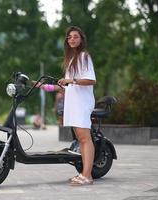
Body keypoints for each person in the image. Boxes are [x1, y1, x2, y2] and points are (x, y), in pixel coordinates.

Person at [40, 26, 96, 186]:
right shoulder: (72, 59)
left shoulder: (84, 56)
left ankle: (87, 176)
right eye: (69, 37)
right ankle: (84, 173)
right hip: (73, 104)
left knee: (85, 139)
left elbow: (91, 80)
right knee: (81, 139)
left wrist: (71, 80)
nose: (72, 39)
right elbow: (65, 86)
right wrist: (45, 87)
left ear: (81, 39)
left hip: (82, 104)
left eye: (75, 37)